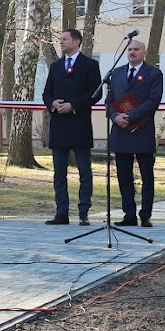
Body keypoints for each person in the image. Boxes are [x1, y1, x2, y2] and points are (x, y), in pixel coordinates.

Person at [43, 29, 102, 226]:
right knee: (59, 173)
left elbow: (95, 93)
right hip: (59, 126)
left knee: (84, 171)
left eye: (64, 39)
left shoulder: (90, 65)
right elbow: (47, 93)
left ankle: (84, 211)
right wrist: (53, 104)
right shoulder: (56, 66)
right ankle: (61, 212)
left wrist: (74, 105)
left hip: (79, 125)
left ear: (76, 42)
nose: (61, 42)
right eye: (60, 39)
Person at [105, 38, 163, 227]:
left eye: (136, 49)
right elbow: (109, 101)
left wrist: (130, 117)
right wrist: (114, 116)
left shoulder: (154, 74)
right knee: (124, 175)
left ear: (144, 53)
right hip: (121, 132)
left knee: (147, 175)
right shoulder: (117, 73)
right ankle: (128, 214)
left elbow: (153, 101)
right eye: (130, 49)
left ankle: (145, 214)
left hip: (142, 131)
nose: (132, 52)